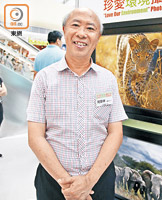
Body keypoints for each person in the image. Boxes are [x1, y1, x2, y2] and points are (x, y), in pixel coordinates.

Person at [27, 8, 128, 200]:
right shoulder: (44, 79)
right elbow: (35, 137)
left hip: (100, 179)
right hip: (53, 181)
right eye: (75, 25)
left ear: (97, 38)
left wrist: (88, 181)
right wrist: (69, 186)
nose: (82, 33)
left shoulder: (108, 79)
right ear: (64, 31)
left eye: (90, 28)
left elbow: (115, 132)